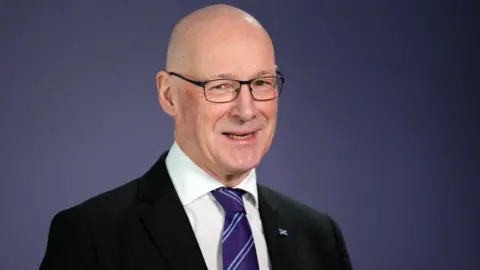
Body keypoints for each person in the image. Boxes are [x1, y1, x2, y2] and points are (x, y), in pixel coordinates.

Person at [40, 4, 352, 270]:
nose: (246, 110)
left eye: (261, 82)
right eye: (220, 86)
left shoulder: (318, 236)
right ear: (168, 95)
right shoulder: (91, 236)